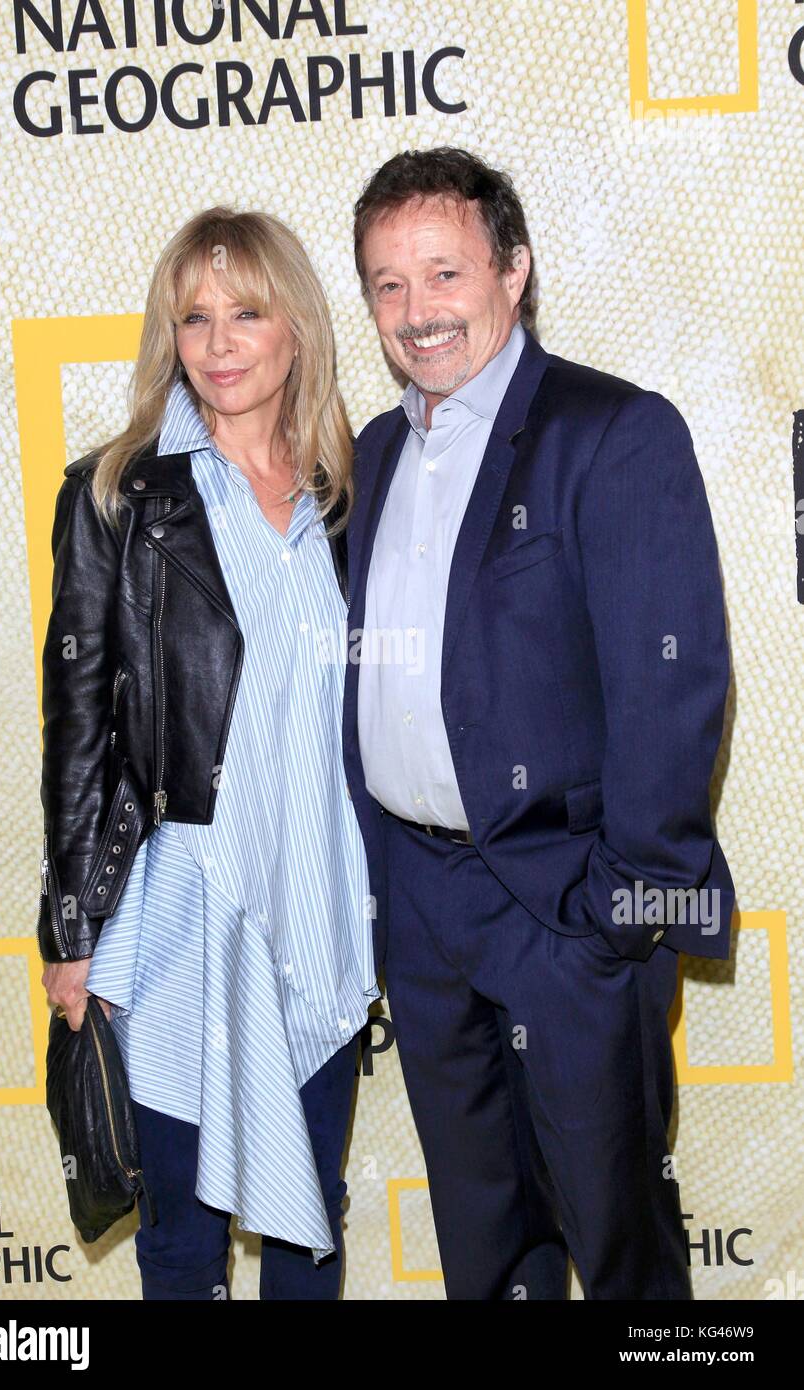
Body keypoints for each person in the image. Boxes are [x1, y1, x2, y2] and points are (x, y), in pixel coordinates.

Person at [342, 146, 736, 1300]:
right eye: (386, 283)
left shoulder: (614, 434)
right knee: (487, 1252)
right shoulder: (374, 450)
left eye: (443, 273)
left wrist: (615, 917)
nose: (417, 312)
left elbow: (674, 690)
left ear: (512, 273)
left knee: (617, 1245)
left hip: (564, 909)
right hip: (423, 913)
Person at [39, 206, 379, 1300]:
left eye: (246, 312)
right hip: (184, 909)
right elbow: (77, 723)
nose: (219, 342)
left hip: (321, 899)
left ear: (297, 331)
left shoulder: (348, 497)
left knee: (306, 1224)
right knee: (183, 1236)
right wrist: (70, 927)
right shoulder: (117, 495)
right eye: (193, 317)